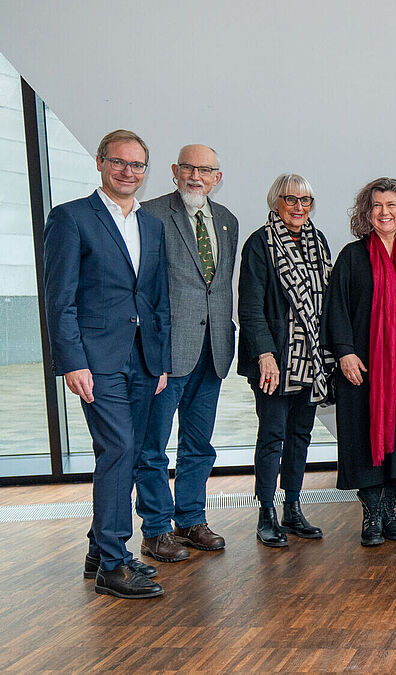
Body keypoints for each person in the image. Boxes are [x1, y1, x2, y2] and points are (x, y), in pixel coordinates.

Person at [44, 129, 170, 598]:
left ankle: (100, 547)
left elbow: (156, 298)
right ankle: (114, 565)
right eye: (119, 162)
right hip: (96, 361)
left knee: (129, 451)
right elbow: (59, 299)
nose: (128, 172)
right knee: (118, 450)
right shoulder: (71, 218)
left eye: (137, 165)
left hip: (142, 358)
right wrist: (72, 361)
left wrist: (159, 361)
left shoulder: (151, 224)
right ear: (100, 163)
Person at [134, 144, 238, 564]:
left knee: (199, 444)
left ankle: (191, 520)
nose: (197, 176)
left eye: (207, 170)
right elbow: (143, 287)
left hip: (212, 349)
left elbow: (218, 288)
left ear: (218, 177)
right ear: (175, 171)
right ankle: (156, 529)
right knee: (153, 446)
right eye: (189, 168)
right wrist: (150, 351)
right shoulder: (151, 214)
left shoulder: (227, 221)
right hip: (166, 353)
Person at [323, 178, 396, 547]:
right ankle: (371, 515)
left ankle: (389, 509)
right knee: (363, 438)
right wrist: (344, 352)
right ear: (366, 213)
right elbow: (335, 308)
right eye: (377, 206)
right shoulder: (352, 256)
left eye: (392, 206)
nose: (384, 213)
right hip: (363, 368)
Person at [237, 173, 332, 548]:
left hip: (310, 359)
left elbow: (324, 302)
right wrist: (265, 355)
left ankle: (292, 506)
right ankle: (266, 511)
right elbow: (250, 306)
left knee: (300, 436)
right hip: (274, 362)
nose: (298, 207)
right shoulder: (260, 244)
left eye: (305, 200)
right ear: (275, 201)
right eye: (290, 199)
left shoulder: (318, 241)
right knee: (272, 436)